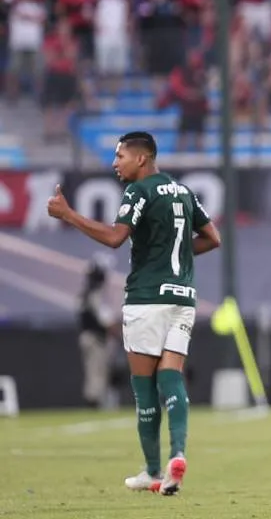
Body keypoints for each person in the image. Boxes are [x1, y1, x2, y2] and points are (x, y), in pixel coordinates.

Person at [47, 131, 221, 495]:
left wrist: (68, 215)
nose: (115, 163)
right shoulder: (182, 191)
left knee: (144, 389)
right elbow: (212, 238)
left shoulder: (138, 192)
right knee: (171, 377)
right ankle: (178, 456)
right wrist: (175, 258)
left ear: (141, 159)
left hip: (146, 299)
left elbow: (115, 237)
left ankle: (154, 471)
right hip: (183, 297)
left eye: (120, 156)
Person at [77, 252, 119, 409]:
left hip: (92, 336)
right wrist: (115, 331)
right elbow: (103, 319)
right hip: (94, 337)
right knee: (96, 370)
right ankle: (93, 402)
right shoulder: (93, 294)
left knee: (98, 370)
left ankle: (97, 400)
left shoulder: (88, 293)